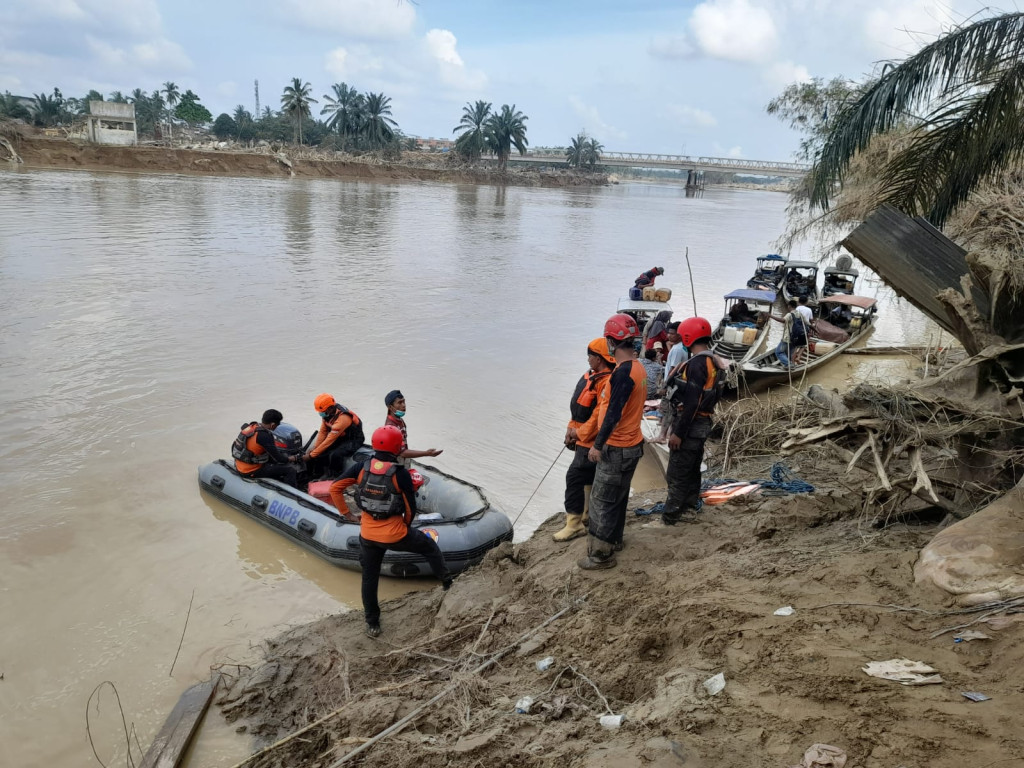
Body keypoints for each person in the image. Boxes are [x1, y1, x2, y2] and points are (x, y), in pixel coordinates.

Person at [328, 425, 451, 637]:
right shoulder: (400, 474)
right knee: (429, 547)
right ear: (396, 448)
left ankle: (373, 624)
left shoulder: (361, 468)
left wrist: (347, 515)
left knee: (369, 577)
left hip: (367, 534)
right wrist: (405, 526)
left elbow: (334, 488)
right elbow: (410, 508)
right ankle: (448, 584)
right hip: (395, 533)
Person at [577, 314, 647, 571]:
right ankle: (614, 540)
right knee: (618, 496)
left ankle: (601, 555)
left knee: (601, 500)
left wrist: (597, 445)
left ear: (611, 342)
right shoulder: (637, 368)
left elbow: (614, 414)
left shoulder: (621, 375)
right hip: (633, 444)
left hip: (617, 446)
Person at [649, 317, 723, 527]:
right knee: (691, 469)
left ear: (688, 337)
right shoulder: (712, 360)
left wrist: (678, 433)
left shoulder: (697, 364)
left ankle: (670, 517)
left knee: (677, 473)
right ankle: (690, 507)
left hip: (690, 426)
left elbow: (691, 403)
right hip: (701, 424)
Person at [553, 338, 616, 542]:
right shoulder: (591, 377)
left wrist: (578, 434)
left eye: (590, 356)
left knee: (574, 476)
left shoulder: (607, 382)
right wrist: (570, 429)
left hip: (593, 441)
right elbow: (578, 409)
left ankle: (574, 523)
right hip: (582, 437)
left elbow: (599, 417)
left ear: (599, 359)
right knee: (587, 476)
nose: (588, 359)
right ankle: (586, 514)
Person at [231, 409, 302, 489]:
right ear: (272, 425)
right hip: (250, 471)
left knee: (275, 462)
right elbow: (280, 459)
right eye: (277, 425)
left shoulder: (252, 427)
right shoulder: (265, 436)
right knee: (290, 470)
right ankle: (293, 493)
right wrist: (293, 458)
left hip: (239, 465)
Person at [304, 393, 365, 479]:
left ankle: (334, 476)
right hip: (341, 437)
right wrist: (315, 447)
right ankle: (317, 474)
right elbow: (323, 432)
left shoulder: (343, 418)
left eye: (322, 412)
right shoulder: (327, 415)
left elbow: (329, 440)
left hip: (353, 439)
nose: (320, 414)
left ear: (330, 408)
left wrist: (311, 456)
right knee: (321, 452)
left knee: (336, 455)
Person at [383, 390, 442, 466]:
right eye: (400, 403)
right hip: (396, 466)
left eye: (404, 402)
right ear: (390, 407)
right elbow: (403, 452)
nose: (404, 405)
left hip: (403, 463)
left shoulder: (400, 420)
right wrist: (426, 453)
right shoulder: (391, 427)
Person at [656, 322, 688, 442]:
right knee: (672, 410)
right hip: (678, 384)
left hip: (672, 384)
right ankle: (669, 433)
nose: (668, 336)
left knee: (667, 410)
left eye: (672, 334)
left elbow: (673, 370)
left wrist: (665, 385)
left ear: (679, 335)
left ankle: (662, 436)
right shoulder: (683, 346)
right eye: (668, 333)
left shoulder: (677, 350)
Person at [770, 300, 809, 367]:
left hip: (788, 338)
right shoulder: (800, 314)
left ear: (789, 306)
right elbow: (808, 324)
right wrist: (815, 330)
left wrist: (770, 316)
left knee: (779, 352)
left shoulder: (790, 314)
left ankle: (789, 364)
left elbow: (783, 320)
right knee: (791, 353)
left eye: (788, 306)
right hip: (796, 338)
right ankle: (791, 364)